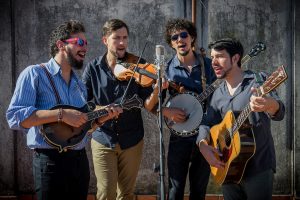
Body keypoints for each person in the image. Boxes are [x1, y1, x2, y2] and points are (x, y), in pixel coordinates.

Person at [6, 20, 121, 200]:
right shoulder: (34, 74)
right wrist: (61, 114)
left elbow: (82, 127)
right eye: (80, 43)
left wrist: (101, 119)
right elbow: (14, 117)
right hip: (49, 162)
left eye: (86, 43)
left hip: (79, 162)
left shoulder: (79, 85)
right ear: (61, 45)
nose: (85, 48)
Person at [82, 18, 163, 200]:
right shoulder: (93, 69)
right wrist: (103, 109)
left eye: (125, 38)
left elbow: (148, 104)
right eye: (116, 38)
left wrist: (157, 89)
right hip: (103, 138)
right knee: (106, 192)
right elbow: (84, 104)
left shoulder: (138, 64)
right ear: (105, 40)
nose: (122, 43)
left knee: (126, 194)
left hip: (132, 139)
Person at [197, 38, 285, 200]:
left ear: (235, 58)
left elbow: (279, 111)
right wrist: (203, 145)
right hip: (227, 167)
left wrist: (269, 105)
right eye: (212, 57)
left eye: (220, 56)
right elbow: (207, 123)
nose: (214, 62)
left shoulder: (258, 81)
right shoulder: (218, 93)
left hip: (258, 167)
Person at [162, 18, 216, 200]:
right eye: (174, 37)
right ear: (171, 43)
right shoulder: (167, 69)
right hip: (180, 135)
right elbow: (155, 106)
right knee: (174, 190)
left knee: (199, 190)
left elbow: (222, 94)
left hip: (206, 134)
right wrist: (167, 111)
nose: (180, 39)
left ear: (191, 37)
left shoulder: (208, 65)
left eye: (183, 35)